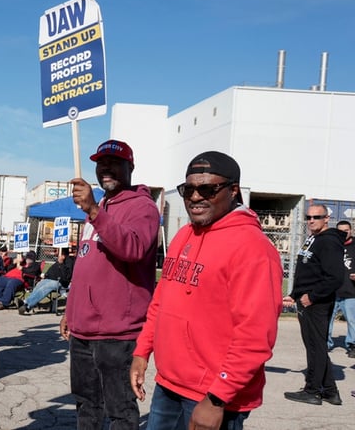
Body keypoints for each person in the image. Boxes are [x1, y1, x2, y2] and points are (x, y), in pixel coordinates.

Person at [130, 151, 283, 429]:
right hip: (168, 385)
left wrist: (216, 399)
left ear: (233, 190)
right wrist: (142, 353)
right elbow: (160, 303)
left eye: (207, 189)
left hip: (213, 397)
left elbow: (255, 337)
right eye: (188, 189)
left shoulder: (254, 249)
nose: (195, 197)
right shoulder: (184, 235)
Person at [59, 139, 159, 430]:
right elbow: (86, 265)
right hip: (83, 331)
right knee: (86, 407)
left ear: (131, 167)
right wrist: (71, 310)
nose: (106, 169)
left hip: (117, 333)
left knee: (120, 411)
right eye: (101, 163)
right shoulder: (102, 207)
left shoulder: (143, 207)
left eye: (114, 163)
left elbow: (132, 249)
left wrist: (93, 211)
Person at [283, 204, 347, 406]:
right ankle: (330, 391)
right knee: (316, 346)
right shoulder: (314, 238)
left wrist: (312, 296)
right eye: (308, 217)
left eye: (316, 217)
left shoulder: (329, 242)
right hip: (305, 299)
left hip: (316, 303)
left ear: (326, 218)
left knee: (315, 347)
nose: (311, 220)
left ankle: (312, 391)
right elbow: (307, 270)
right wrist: (294, 294)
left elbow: (335, 277)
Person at [327, 220, 355, 357]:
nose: (344, 233)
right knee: (327, 319)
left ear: (351, 230)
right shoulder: (331, 245)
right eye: (340, 230)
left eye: (346, 230)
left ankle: (352, 345)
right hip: (332, 292)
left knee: (352, 320)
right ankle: (326, 344)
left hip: (351, 291)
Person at [18, 247, 73, 315]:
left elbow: (66, 277)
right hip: (51, 280)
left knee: (48, 285)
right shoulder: (58, 261)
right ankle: (27, 304)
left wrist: (61, 264)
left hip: (62, 283)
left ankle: (27, 304)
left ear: (63, 254)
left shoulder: (69, 262)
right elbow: (51, 271)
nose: (56, 253)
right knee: (40, 284)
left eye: (58, 251)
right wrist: (45, 275)